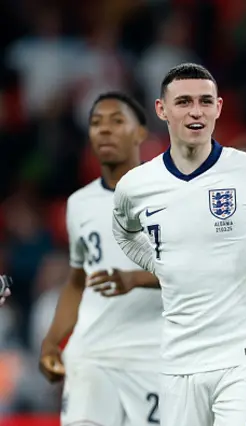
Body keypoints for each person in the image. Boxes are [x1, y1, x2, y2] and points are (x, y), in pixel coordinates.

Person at [111, 62, 246, 426]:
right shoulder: (136, 186)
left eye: (206, 101)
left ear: (219, 108)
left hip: (244, 357)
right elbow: (123, 233)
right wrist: (157, 263)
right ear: (162, 110)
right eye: (184, 102)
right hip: (178, 364)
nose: (196, 111)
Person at [39, 92, 164, 426]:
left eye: (116, 121)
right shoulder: (79, 203)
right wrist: (52, 342)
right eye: (96, 123)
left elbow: (195, 273)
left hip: (154, 353)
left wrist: (136, 278)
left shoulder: (171, 197)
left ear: (140, 133)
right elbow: (77, 281)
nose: (104, 130)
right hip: (91, 354)